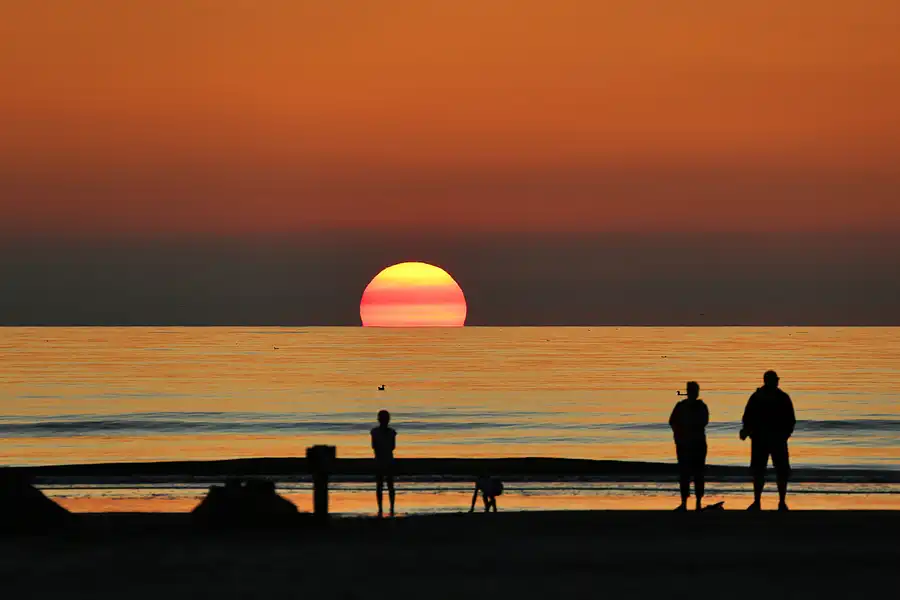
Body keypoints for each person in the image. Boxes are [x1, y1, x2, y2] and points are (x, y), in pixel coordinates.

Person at [740, 370, 796, 511]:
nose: (777, 382)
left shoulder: (781, 397)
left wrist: (785, 435)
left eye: (776, 379)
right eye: (775, 379)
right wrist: (747, 431)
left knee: (779, 471)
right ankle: (759, 501)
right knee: (761, 471)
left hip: (775, 439)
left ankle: (780, 501)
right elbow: (747, 417)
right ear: (768, 381)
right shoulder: (759, 397)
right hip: (762, 439)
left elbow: (790, 420)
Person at [669, 381, 709, 511]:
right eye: (691, 391)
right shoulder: (681, 406)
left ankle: (697, 502)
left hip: (696, 444)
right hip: (685, 444)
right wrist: (679, 434)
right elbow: (672, 422)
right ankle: (684, 502)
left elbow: (704, 422)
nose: (693, 393)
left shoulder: (701, 407)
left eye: (694, 391)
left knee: (697, 473)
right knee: (685, 474)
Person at [370, 409, 397, 517]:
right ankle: (391, 507)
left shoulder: (374, 432)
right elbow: (392, 447)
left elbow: (374, 446)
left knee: (380, 486)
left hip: (379, 460)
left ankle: (381, 508)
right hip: (388, 460)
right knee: (390, 485)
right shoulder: (392, 432)